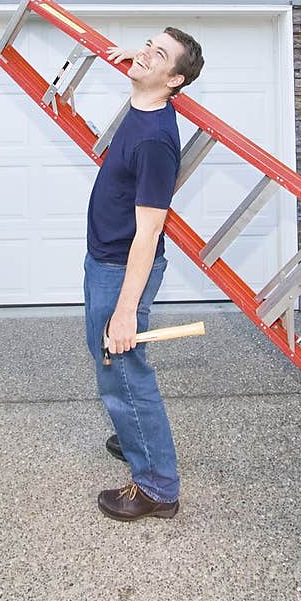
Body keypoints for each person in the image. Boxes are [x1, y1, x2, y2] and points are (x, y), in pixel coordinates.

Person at [84, 26, 204, 522]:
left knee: (124, 372)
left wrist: (127, 311)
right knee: (112, 365)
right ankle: (135, 434)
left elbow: (148, 232)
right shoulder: (146, 101)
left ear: (175, 79)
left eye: (159, 55)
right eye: (146, 45)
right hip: (104, 259)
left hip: (121, 268)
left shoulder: (156, 141)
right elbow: (149, 61)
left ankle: (157, 486)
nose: (143, 55)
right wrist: (142, 54)